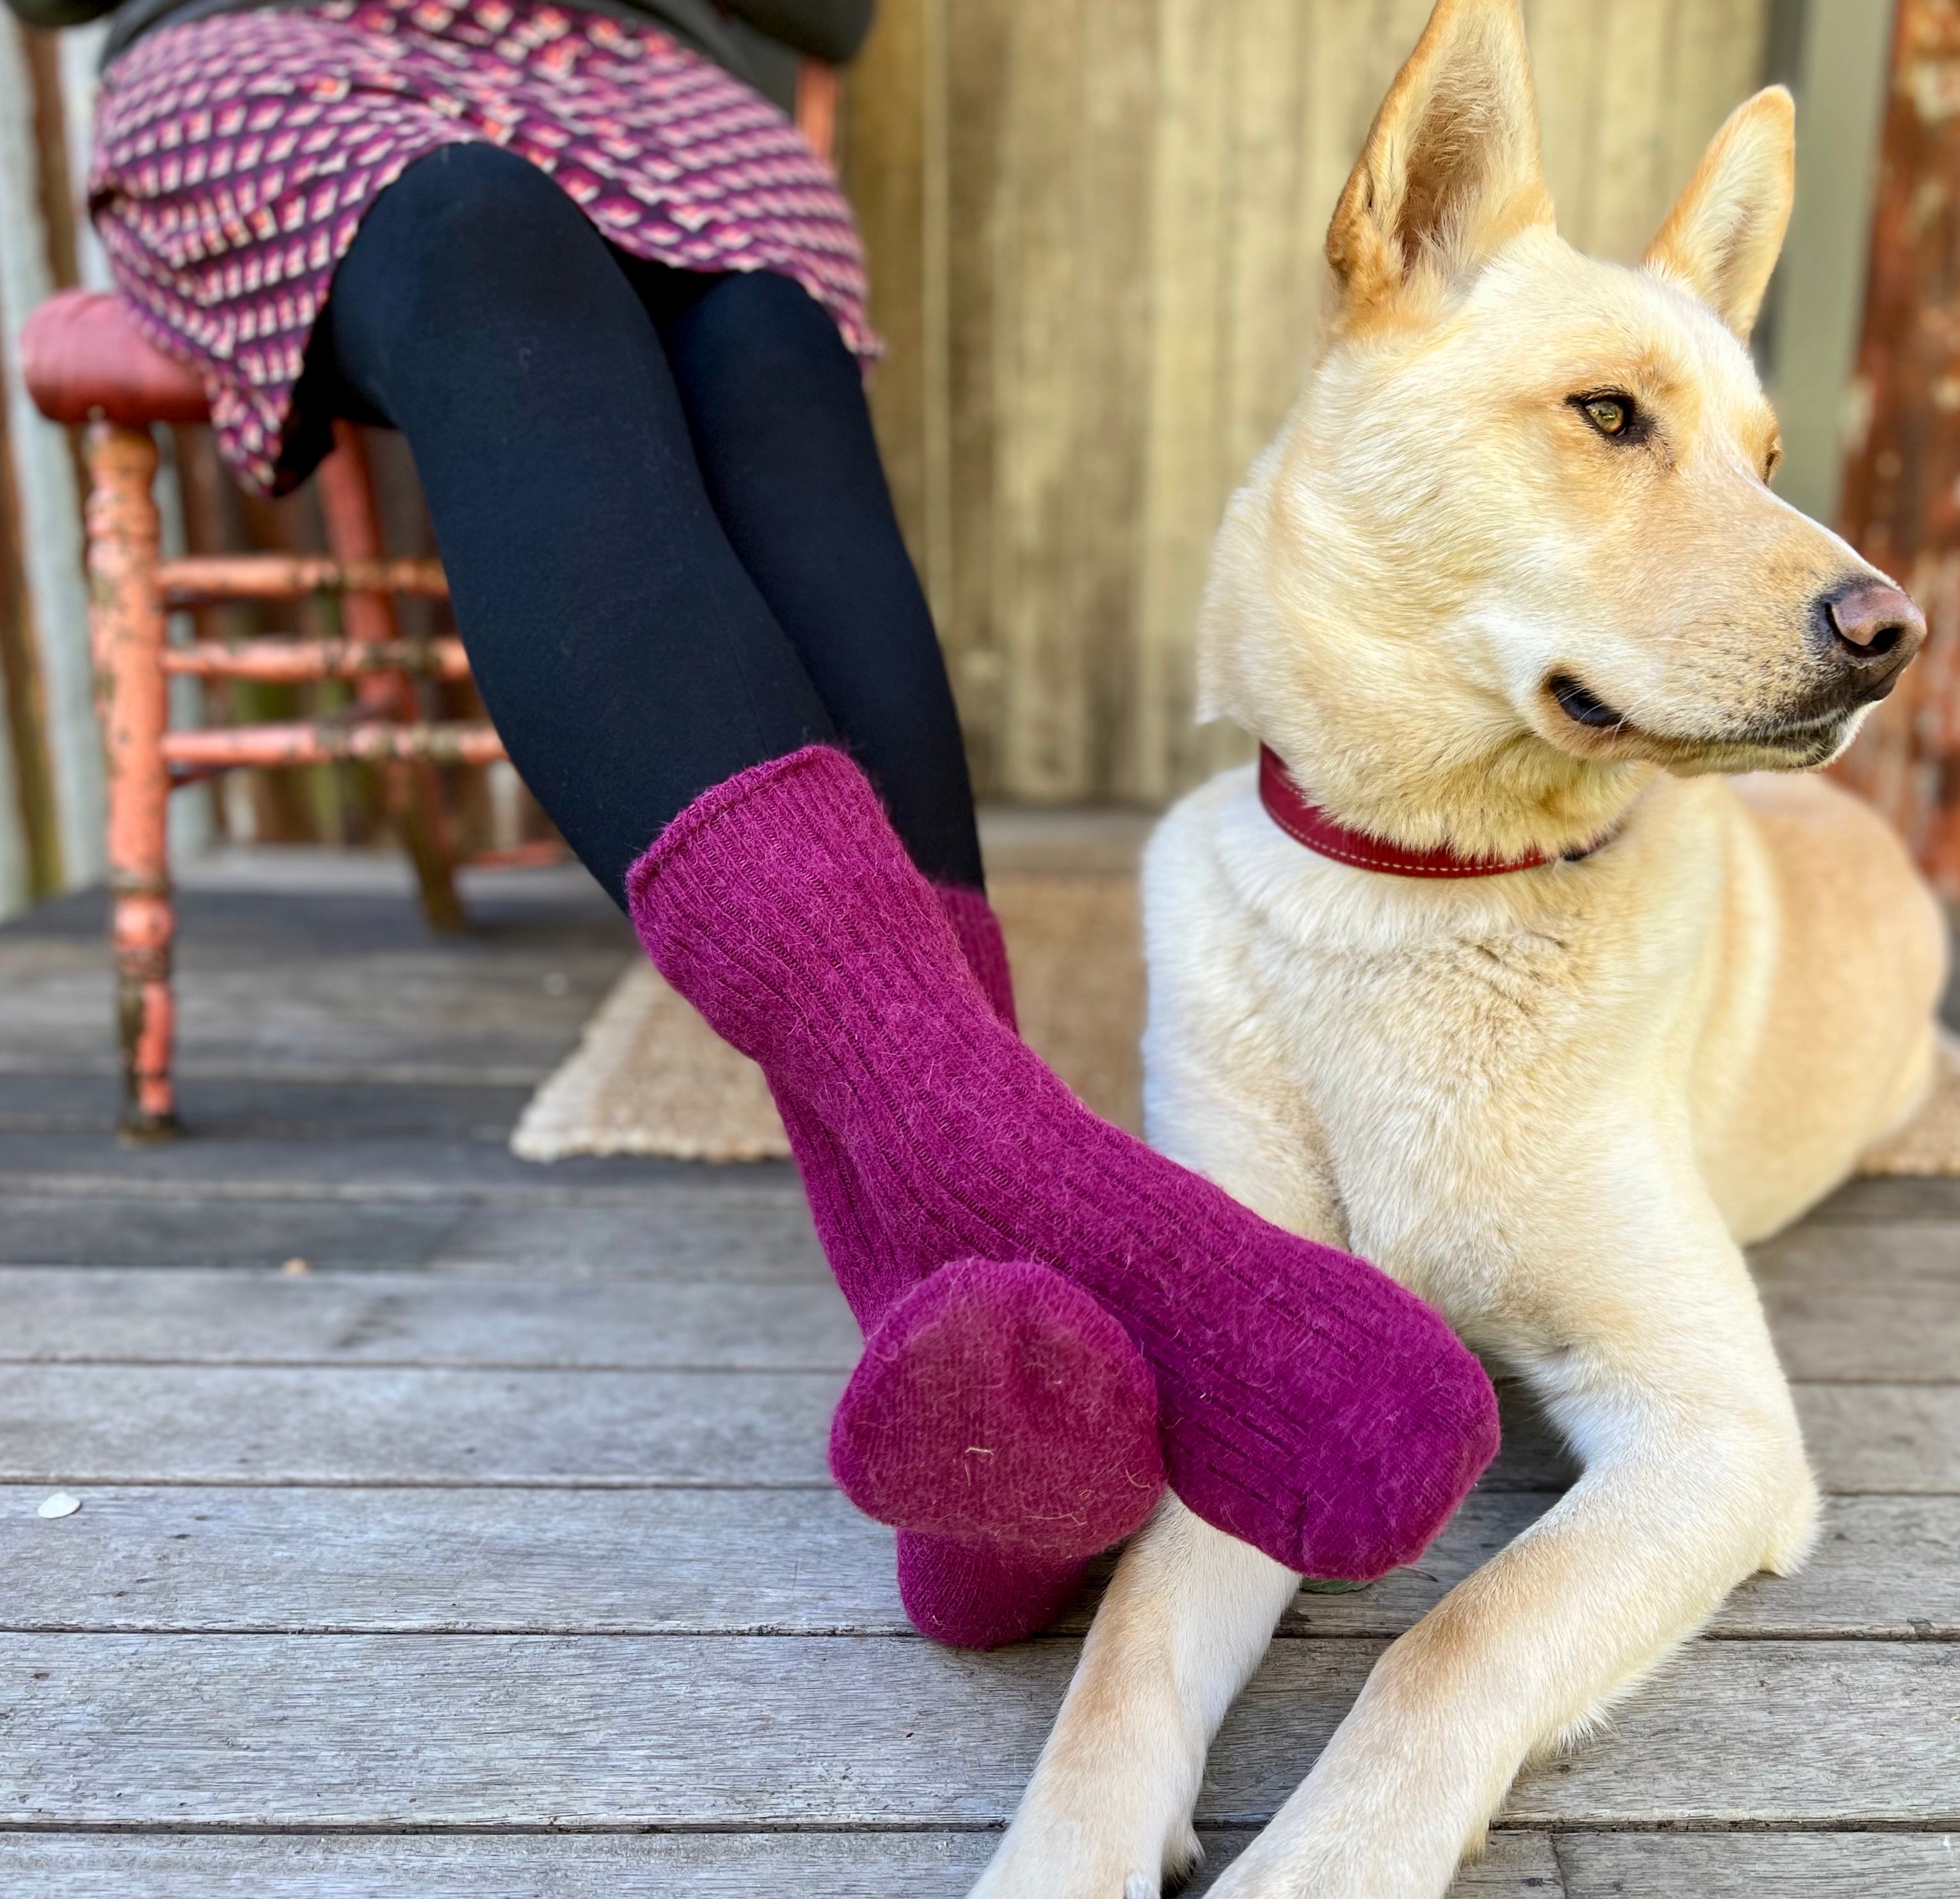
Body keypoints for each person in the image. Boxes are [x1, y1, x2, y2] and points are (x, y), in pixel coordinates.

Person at [15, 0, 1498, 1644]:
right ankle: (981, 1141)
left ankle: (991, 1391)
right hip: (297, 58)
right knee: (475, 226)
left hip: (638, 70)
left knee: (769, 345)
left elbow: (825, 15)